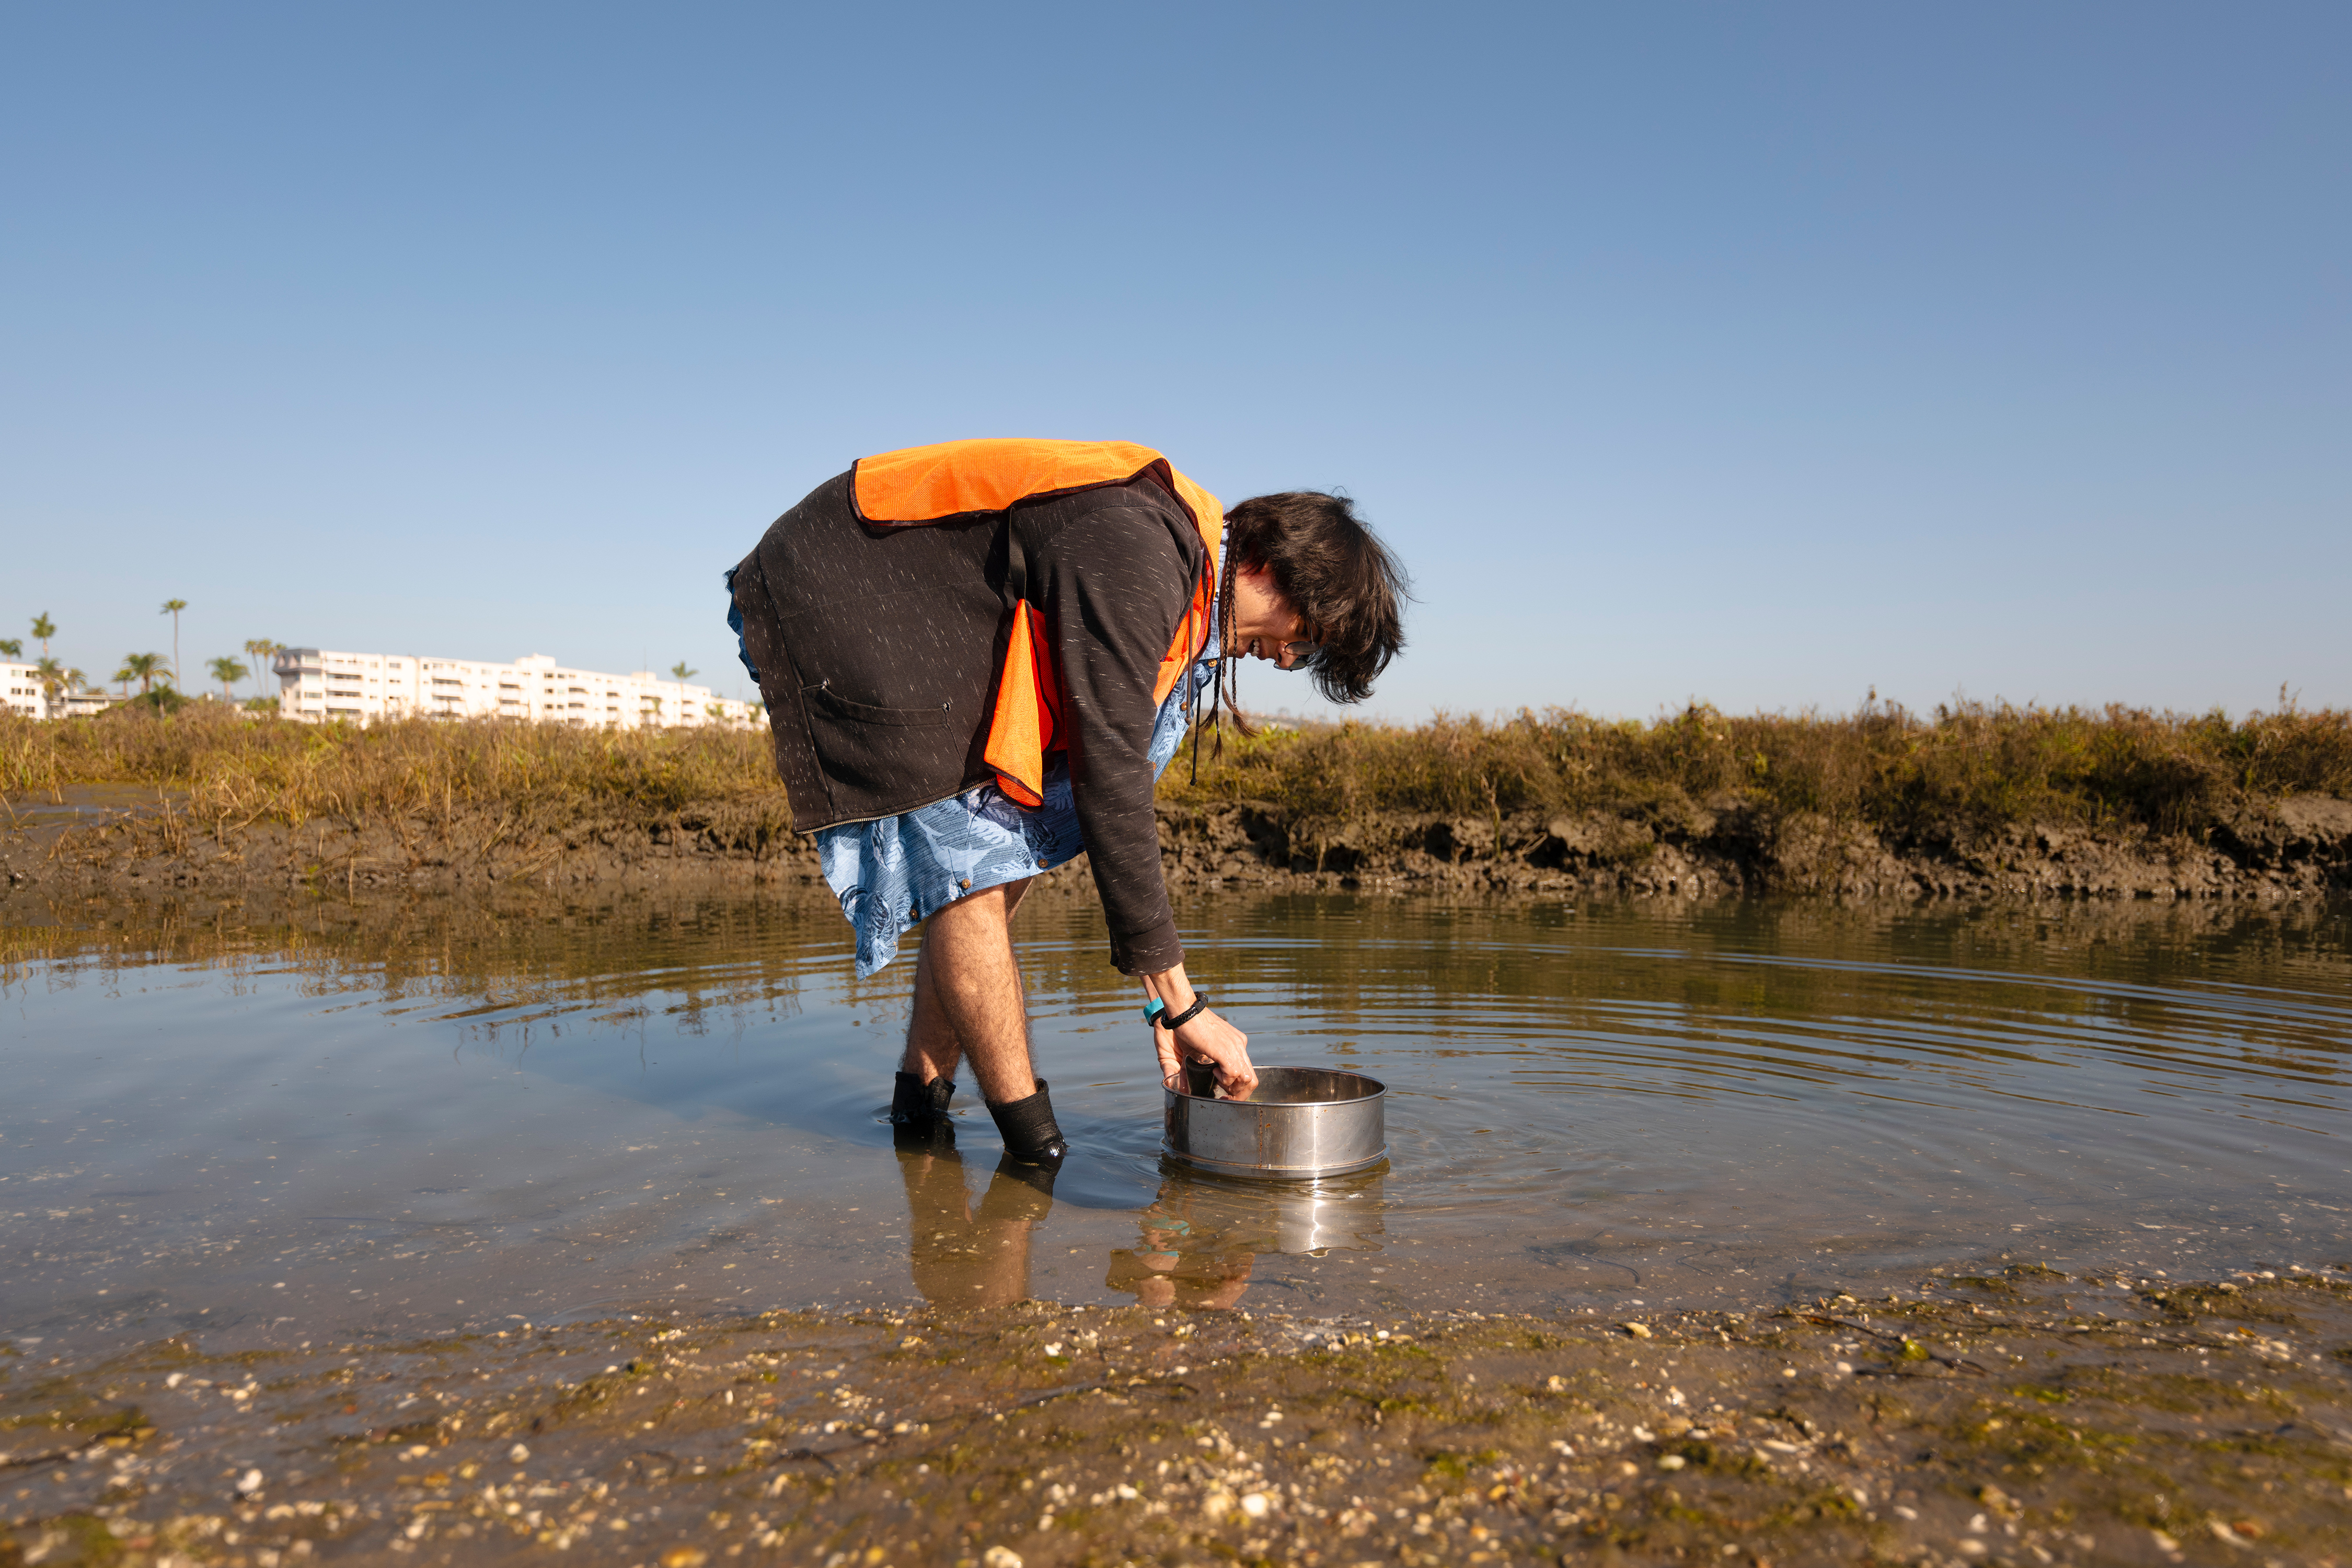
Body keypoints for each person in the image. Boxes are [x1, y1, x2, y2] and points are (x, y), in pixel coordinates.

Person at [728, 439, 1405, 1165]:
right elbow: (1109, 775)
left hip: (896, 596)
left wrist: (1161, 1001)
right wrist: (1181, 1003)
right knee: (970, 866)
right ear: (1273, 569)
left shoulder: (1176, 559)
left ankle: (917, 1115)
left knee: (992, 861)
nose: (1287, 657)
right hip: (843, 581)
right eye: (1306, 636)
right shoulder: (1141, 549)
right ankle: (1034, 1154)